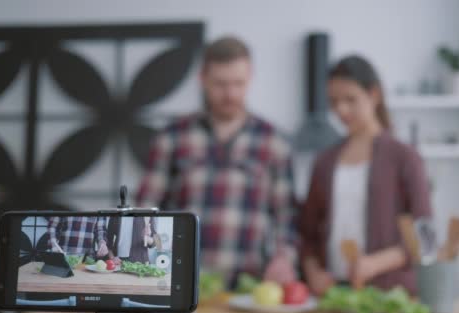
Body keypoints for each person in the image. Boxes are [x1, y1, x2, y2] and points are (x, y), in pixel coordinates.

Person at [136, 36, 296, 286]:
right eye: (221, 84)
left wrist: (284, 258)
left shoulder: (274, 141)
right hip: (178, 282)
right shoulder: (171, 137)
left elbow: (286, 215)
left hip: (250, 287)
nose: (230, 94)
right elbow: (145, 209)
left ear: (250, 77)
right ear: (203, 79)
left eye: (238, 83)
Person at [299, 55, 432, 295]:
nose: (341, 110)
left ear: (374, 95)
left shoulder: (405, 157)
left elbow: (426, 236)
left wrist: (374, 264)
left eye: (350, 99)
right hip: (332, 296)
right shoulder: (324, 162)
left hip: (389, 296)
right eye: (334, 101)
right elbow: (307, 234)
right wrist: (313, 274)